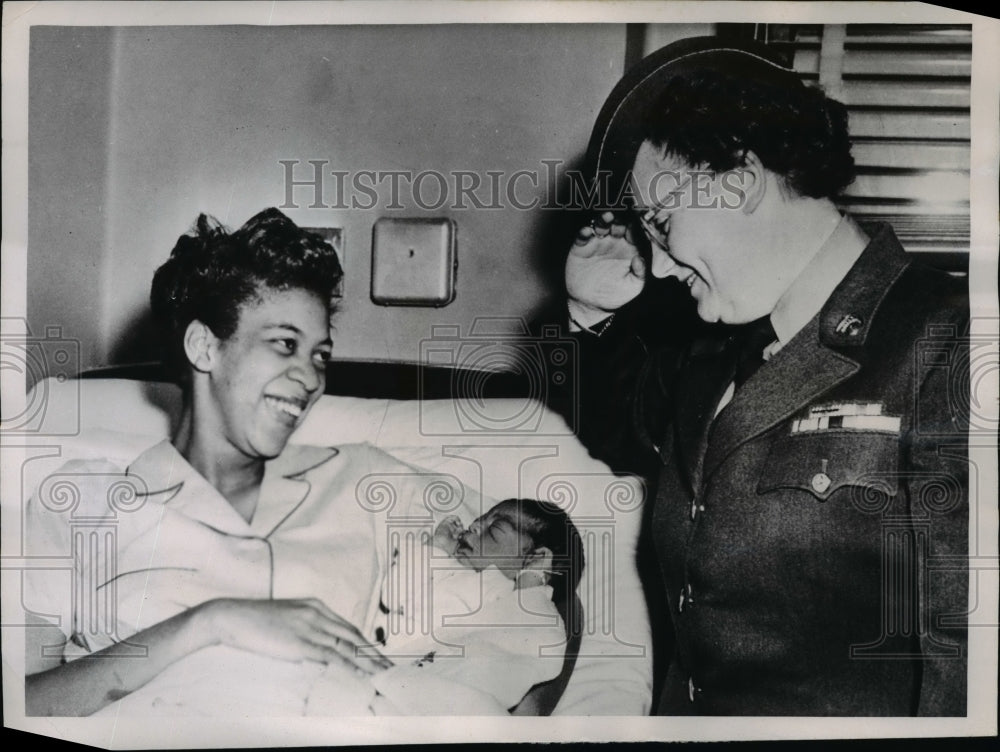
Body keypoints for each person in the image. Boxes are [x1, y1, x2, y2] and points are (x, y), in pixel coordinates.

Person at [562, 36, 969, 715]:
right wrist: (589, 312)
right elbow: (610, 433)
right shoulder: (715, 350)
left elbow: (970, 664)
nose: (657, 266)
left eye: (660, 224)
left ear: (739, 181)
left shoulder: (950, 341)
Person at [23, 208, 396, 716]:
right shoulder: (82, 504)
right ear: (204, 347)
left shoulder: (364, 479)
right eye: (285, 344)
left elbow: (529, 590)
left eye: (320, 355)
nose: (311, 378)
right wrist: (210, 622)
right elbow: (23, 703)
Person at [306, 498, 586, 715]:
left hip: (451, 688)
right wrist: (435, 550)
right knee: (341, 691)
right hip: (395, 670)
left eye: (494, 530)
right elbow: (393, 594)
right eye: (479, 520)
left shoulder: (515, 603)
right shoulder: (443, 567)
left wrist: (531, 583)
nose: (475, 526)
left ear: (535, 558)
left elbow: (539, 648)